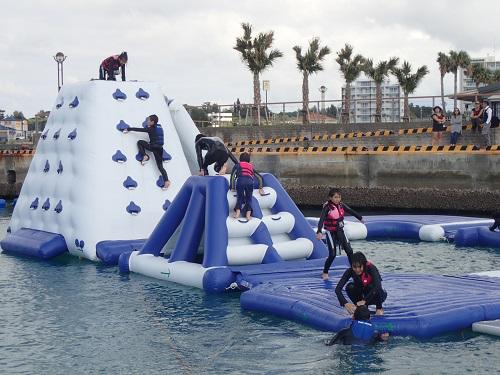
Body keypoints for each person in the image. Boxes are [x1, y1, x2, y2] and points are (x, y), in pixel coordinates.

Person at [316, 188, 363, 280]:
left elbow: (350, 210)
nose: (337, 199)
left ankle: (354, 270)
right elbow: (321, 220)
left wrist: (360, 218)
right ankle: (325, 272)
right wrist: (319, 231)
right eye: (335, 197)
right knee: (332, 254)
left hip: (340, 231)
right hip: (331, 232)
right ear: (330, 198)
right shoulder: (327, 208)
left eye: (339, 197)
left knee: (349, 251)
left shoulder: (341, 205)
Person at [123, 114, 170, 189]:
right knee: (160, 166)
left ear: (152, 122)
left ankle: (145, 156)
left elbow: (139, 130)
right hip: (160, 149)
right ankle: (167, 181)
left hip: (153, 147)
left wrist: (128, 129)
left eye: (148, 120)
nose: (147, 121)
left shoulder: (150, 129)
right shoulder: (159, 127)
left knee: (140, 142)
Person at [335, 252, 387, 316]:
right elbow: (337, 289)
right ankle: (361, 307)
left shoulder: (371, 268)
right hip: (363, 296)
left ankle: (379, 308)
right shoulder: (350, 271)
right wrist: (345, 303)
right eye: (354, 267)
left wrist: (365, 301)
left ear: (364, 264)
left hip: (378, 296)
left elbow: (378, 286)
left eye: (360, 267)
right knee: (350, 287)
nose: (357, 269)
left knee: (371, 286)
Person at [230, 152, 265, 220]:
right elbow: (259, 177)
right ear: (248, 160)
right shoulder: (251, 166)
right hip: (250, 182)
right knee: (249, 198)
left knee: (240, 197)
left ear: (240, 159)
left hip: (241, 181)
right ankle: (248, 215)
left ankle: (237, 212)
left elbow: (233, 176)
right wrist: (261, 187)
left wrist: (232, 187)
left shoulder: (238, 165)